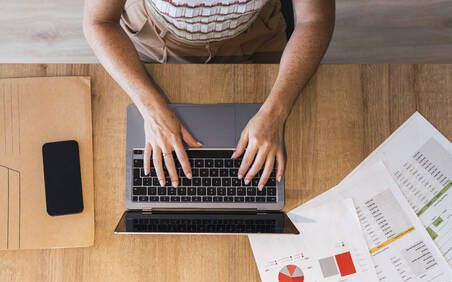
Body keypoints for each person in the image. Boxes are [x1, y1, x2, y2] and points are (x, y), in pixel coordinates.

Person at [83, 0, 335, 190]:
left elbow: (315, 21)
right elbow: (99, 21)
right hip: (155, 41)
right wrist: (151, 110)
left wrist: (276, 113)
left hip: (255, 40)